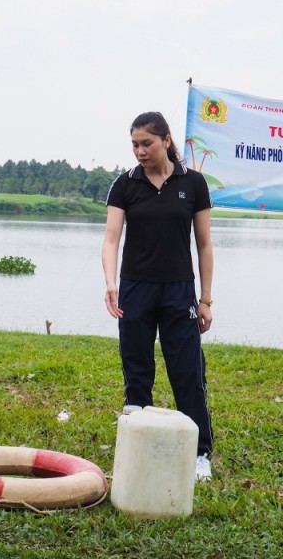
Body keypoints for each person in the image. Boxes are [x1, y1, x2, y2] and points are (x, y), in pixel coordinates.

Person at [102, 111, 216, 482]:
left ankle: (200, 454)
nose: (139, 151)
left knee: (187, 373)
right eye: (134, 144)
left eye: (146, 143)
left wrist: (205, 299)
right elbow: (111, 238)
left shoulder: (194, 184)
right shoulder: (125, 185)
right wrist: (110, 282)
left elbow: (203, 243)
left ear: (166, 140)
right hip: (134, 288)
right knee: (137, 370)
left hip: (178, 289)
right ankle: (139, 445)